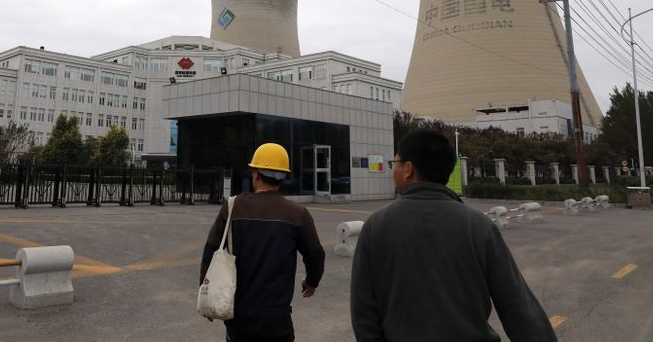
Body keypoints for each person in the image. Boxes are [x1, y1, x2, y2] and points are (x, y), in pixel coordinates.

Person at [350, 128, 556, 342]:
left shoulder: (376, 226)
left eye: (395, 164)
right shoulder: (478, 226)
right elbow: (518, 306)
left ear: (408, 169)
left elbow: (363, 311)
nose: (393, 170)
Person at [200, 142, 325, 342]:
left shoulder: (232, 207)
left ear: (256, 175)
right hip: (277, 322)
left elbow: (210, 252)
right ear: (283, 177)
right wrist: (311, 281)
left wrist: (206, 293)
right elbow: (316, 255)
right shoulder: (298, 214)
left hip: (238, 320)